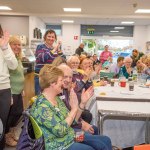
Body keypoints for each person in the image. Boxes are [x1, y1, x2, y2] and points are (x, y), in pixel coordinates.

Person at [30, 64, 112, 150]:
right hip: (59, 144)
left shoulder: (56, 99)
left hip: (71, 136)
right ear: (52, 84)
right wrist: (74, 109)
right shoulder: (42, 107)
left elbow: (73, 122)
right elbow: (60, 131)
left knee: (105, 140)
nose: (63, 82)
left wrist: (82, 104)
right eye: (61, 80)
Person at [5, 36, 25, 146]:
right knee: (10, 116)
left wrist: (22, 89)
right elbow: (7, 77)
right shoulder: (8, 59)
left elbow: (20, 75)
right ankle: (7, 136)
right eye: (14, 44)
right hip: (11, 92)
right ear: (8, 45)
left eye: (19, 44)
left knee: (18, 114)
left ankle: (11, 133)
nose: (17, 47)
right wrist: (9, 95)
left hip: (18, 92)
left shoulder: (17, 58)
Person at [0, 31, 18, 150]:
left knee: (2, 124)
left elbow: (13, 65)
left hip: (4, 89)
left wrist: (5, 48)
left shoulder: (4, 45)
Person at [34, 29, 64, 95]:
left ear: (55, 38)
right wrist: (54, 50)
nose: (51, 38)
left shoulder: (55, 48)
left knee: (50, 95)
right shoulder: (40, 47)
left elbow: (63, 60)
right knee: (40, 96)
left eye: (53, 37)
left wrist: (59, 50)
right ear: (45, 37)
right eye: (49, 36)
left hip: (52, 77)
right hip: (40, 76)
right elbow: (42, 58)